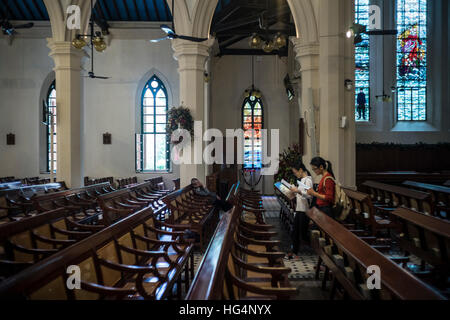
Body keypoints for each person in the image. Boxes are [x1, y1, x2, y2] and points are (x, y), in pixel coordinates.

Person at [287, 161, 313, 259]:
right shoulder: (302, 180)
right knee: (295, 232)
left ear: (301, 170)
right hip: (300, 209)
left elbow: (309, 195)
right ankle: (294, 252)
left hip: (304, 210)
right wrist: (293, 192)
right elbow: (302, 193)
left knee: (302, 233)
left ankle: (318, 251)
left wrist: (297, 191)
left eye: (295, 172)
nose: (295, 174)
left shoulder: (308, 180)